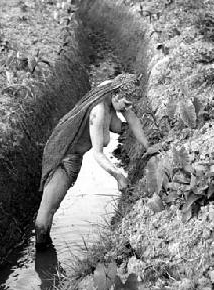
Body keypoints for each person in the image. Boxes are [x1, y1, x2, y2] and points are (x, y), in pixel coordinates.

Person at [34, 73, 156, 248]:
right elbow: (98, 154)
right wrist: (118, 176)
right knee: (47, 212)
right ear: (116, 95)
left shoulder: (112, 87)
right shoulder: (98, 112)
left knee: (51, 209)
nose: (128, 108)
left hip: (75, 154)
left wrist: (147, 146)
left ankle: (45, 255)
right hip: (63, 157)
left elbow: (132, 119)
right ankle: (42, 254)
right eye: (126, 103)